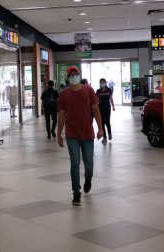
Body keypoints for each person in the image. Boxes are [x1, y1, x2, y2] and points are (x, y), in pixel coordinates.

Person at [57, 66, 104, 206]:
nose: (73, 77)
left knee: (89, 162)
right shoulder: (64, 94)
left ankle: (88, 178)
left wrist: (101, 129)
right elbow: (61, 115)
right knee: (75, 163)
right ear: (67, 78)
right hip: (72, 132)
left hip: (87, 132)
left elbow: (95, 110)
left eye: (75, 74)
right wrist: (59, 134)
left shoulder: (88, 90)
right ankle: (76, 193)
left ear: (79, 75)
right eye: (71, 75)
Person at [96, 78, 116, 143]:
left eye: (103, 82)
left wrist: (113, 106)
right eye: (101, 82)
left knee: (107, 121)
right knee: (102, 123)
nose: (102, 84)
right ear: (100, 84)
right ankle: (104, 137)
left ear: (105, 83)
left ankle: (109, 133)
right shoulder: (98, 91)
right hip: (100, 108)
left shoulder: (109, 90)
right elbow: (96, 100)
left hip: (107, 107)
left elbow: (111, 99)